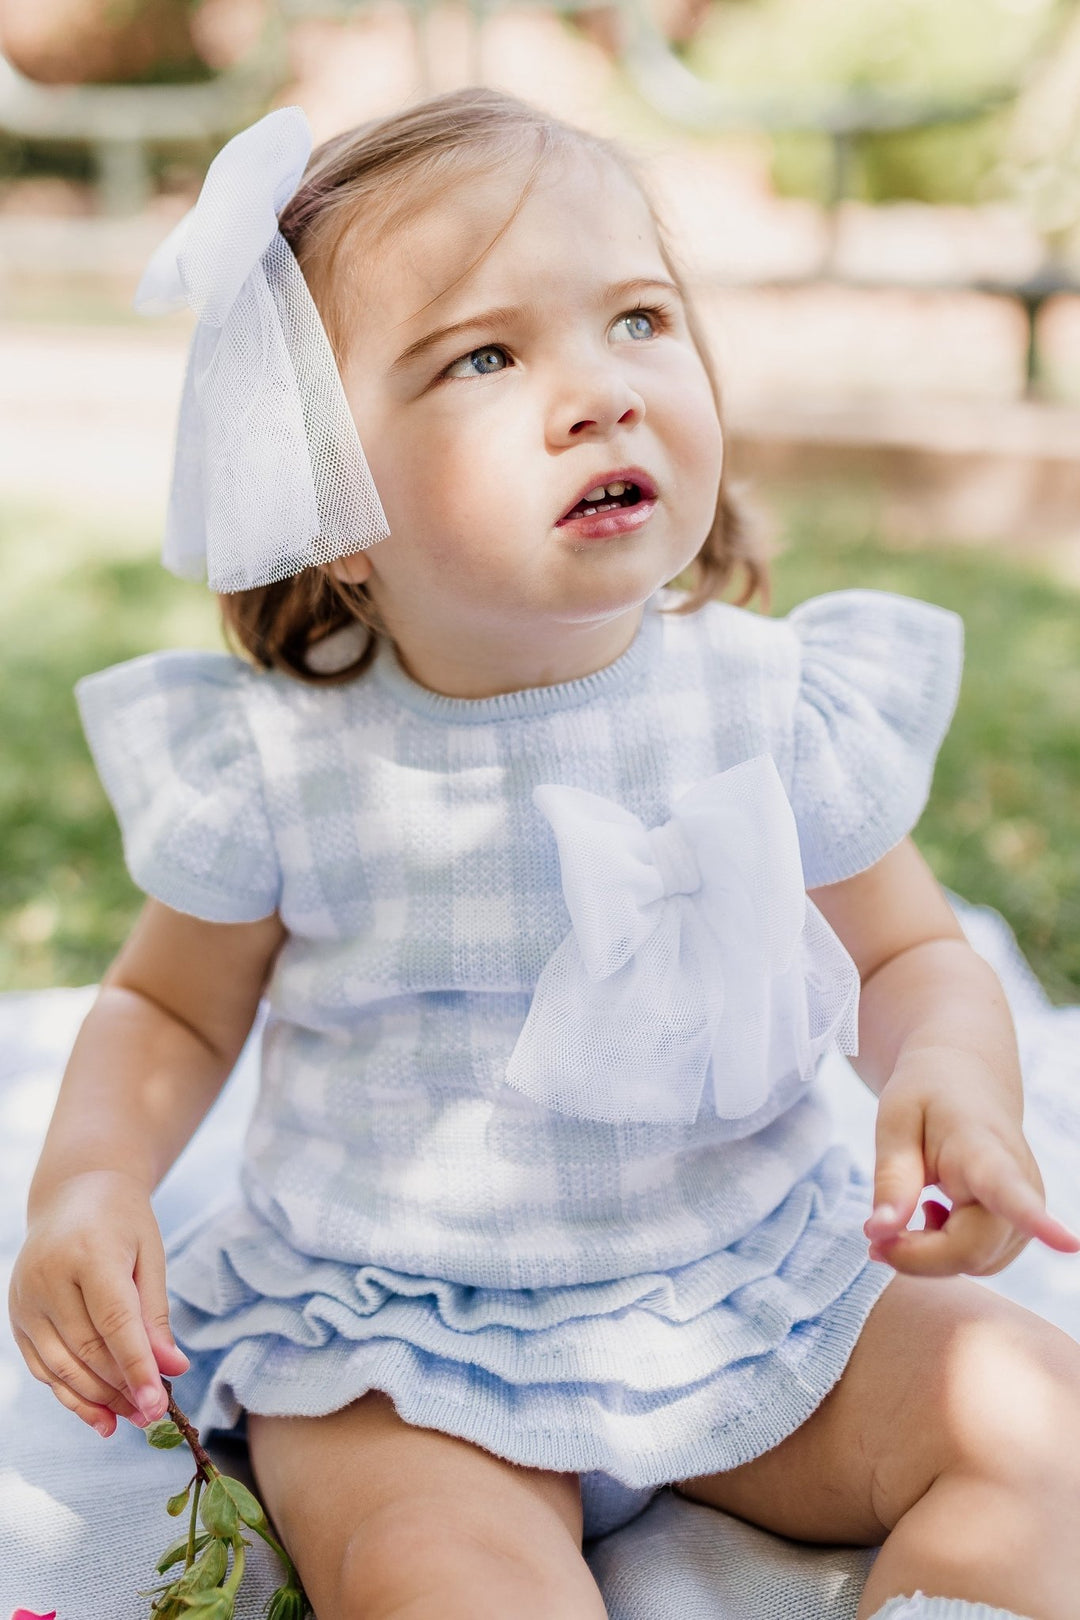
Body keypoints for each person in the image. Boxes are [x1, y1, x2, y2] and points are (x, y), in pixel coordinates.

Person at [8, 88, 1080, 1620]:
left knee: (1037, 1416)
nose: (602, 394)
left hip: (753, 1283)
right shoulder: (286, 765)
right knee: (441, 1576)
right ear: (327, 503)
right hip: (400, 1338)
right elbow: (168, 1014)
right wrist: (88, 1183)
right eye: (487, 356)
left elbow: (909, 955)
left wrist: (954, 1079)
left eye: (639, 321)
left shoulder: (770, 702)